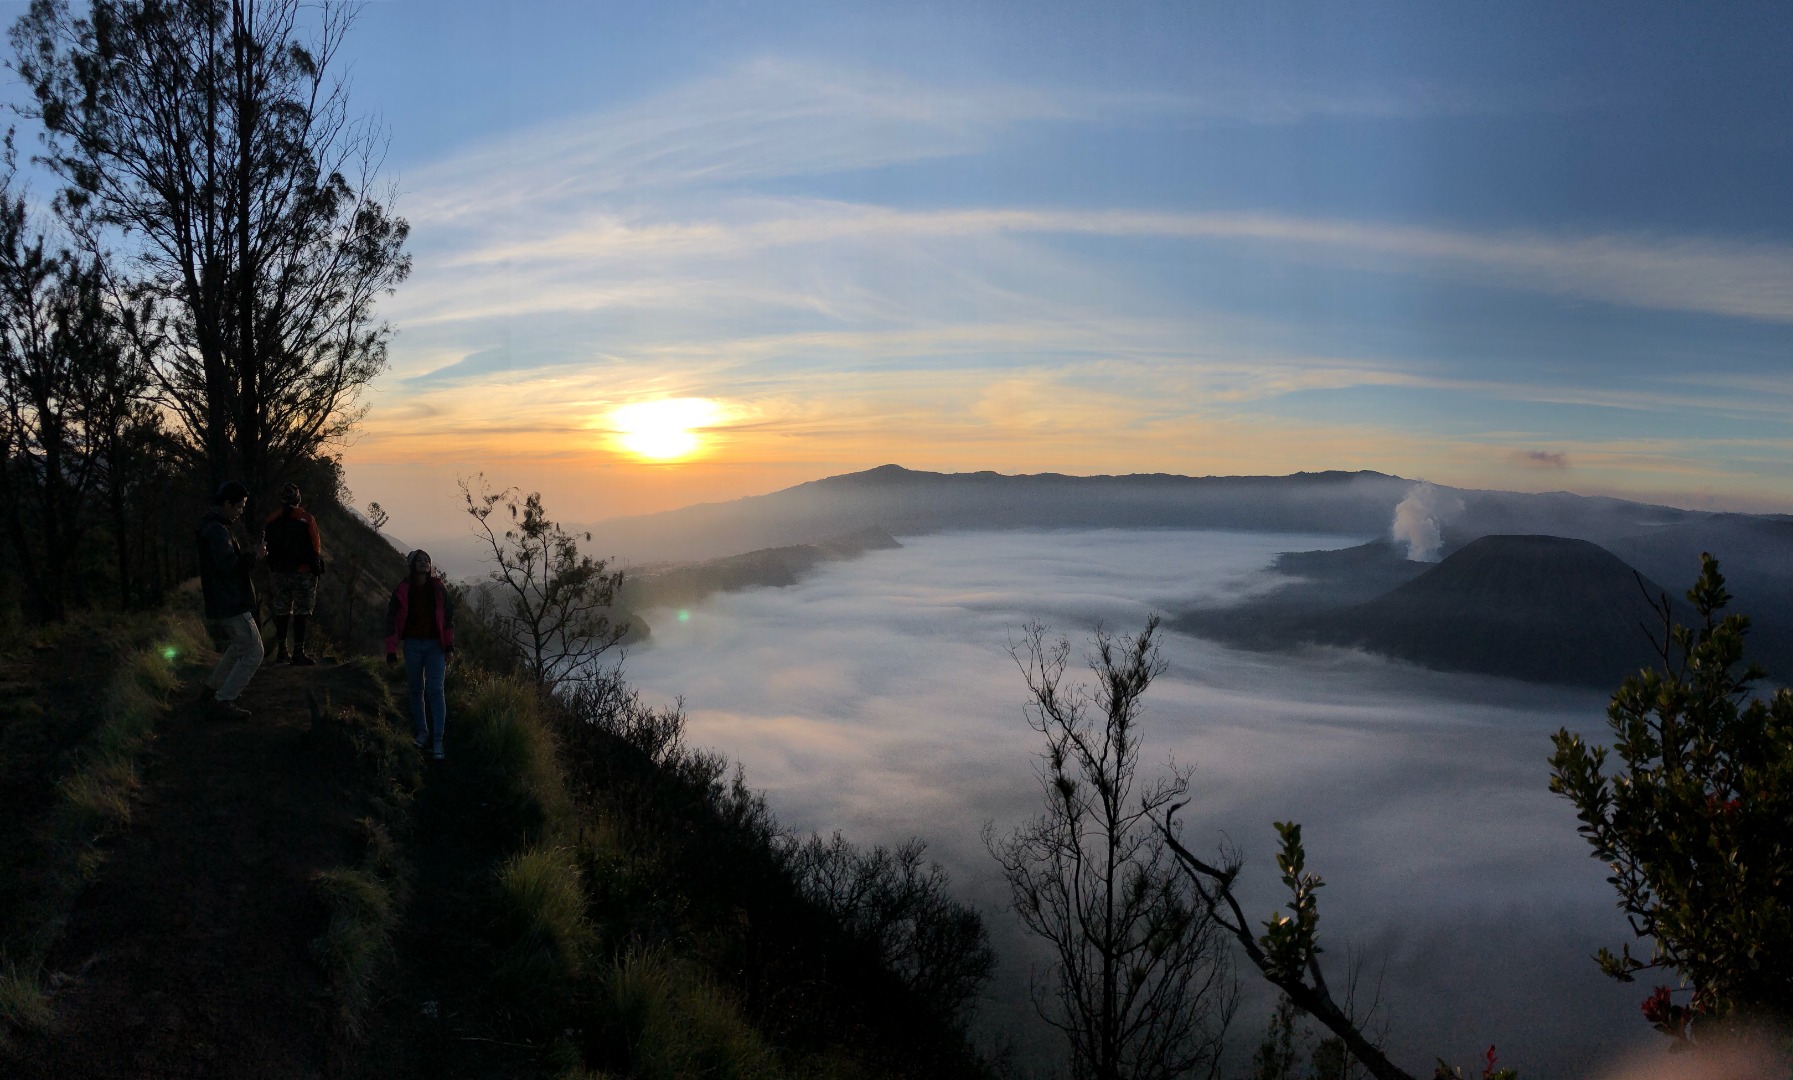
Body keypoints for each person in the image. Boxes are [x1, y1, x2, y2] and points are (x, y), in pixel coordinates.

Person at [195, 480, 263, 719]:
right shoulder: (216, 531)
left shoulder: (213, 527)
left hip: (223, 600)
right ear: (226, 504)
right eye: (239, 506)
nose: (241, 511)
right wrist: (253, 555)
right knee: (254, 651)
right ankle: (224, 700)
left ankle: (213, 690)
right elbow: (229, 568)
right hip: (231, 601)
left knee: (238, 647)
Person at [385, 549, 454, 761]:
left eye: (427, 560)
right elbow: (392, 620)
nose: (424, 562)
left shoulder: (438, 588)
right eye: (419, 560)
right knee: (416, 689)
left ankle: (437, 741)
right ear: (412, 564)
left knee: (435, 689)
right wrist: (391, 650)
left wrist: (449, 646)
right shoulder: (403, 590)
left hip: (435, 646)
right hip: (413, 645)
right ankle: (422, 733)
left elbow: (448, 618)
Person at [263, 482, 326, 665]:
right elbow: (315, 548)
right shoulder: (306, 519)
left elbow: (267, 547)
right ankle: (298, 652)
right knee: (301, 612)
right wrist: (316, 569)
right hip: (303, 573)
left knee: (282, 611)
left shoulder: (271, 520)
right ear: (297, 498)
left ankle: (282, 651)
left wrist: (274, 567)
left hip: (280, 573)